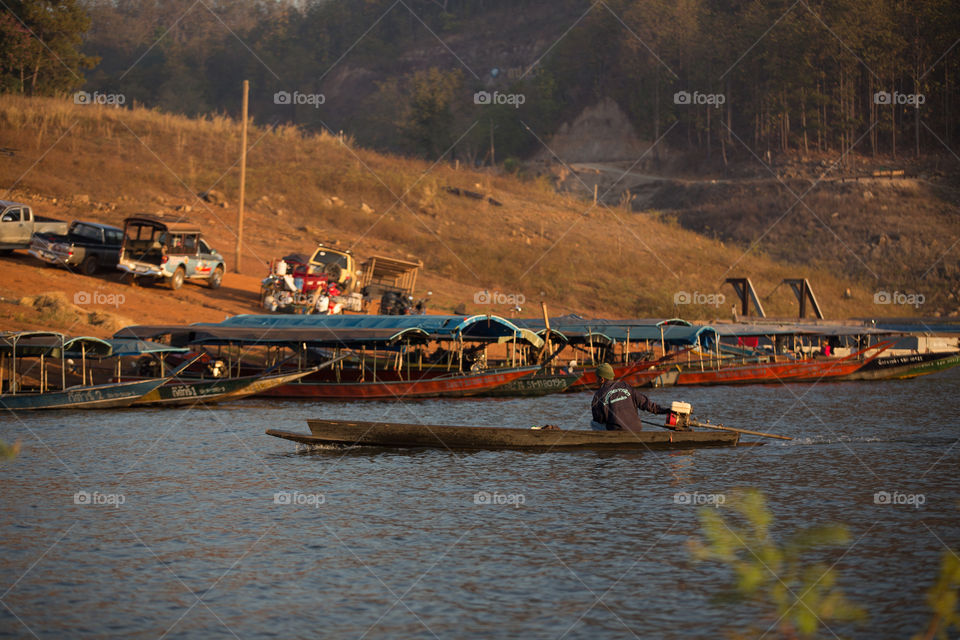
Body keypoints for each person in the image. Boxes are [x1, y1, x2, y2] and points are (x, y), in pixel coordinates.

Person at [590, 363, 675, 431]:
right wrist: (666, 410)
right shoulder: (626, 386)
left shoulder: (598, 395)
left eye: (596, 378)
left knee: (593, 423)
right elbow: (647, 404)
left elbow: (599, 419)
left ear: (602, 379)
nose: (595, 381)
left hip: (617, 431)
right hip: (636, 428)